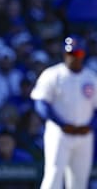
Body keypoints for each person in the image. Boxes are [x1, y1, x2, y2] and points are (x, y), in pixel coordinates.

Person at [30, 35, 97, 189]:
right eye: (70, 54)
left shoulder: (91, 78)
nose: (74, 57)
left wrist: (91, 126)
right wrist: (61, 124)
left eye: (77, 54)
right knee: (53, 175)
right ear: (65, 54)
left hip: (84, 134)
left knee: (79, 180)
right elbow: (41, 104)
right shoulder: (53, 74)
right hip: (59, 133)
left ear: (83, 54)